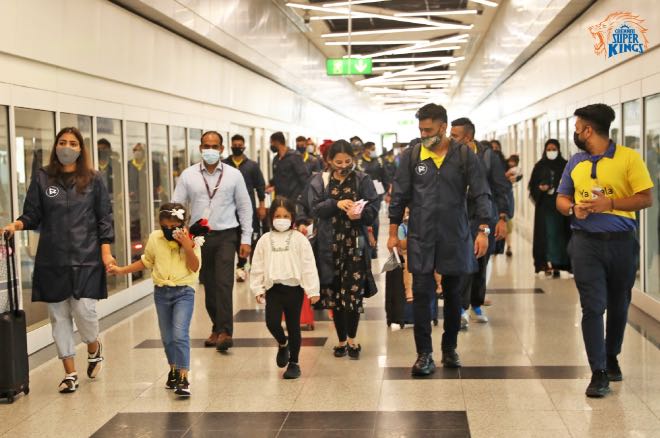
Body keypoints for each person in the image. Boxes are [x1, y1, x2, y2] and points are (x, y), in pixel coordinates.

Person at [2, 127, 114, 393]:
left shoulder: (94, 179)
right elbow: (32, 214)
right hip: (52, 258)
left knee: (85, 311)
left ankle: (93, 345)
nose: (66, 147)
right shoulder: (42, 177)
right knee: (58, 315)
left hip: (86, 257)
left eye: (72, 143)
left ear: (80, 148)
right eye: (62, 142)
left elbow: (104, 217)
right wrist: (15, 225)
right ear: (55, 146)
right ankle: (69, 372)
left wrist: (106, 250)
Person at [556, 103, 654, 398]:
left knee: (619, 302)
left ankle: (612, 355)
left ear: (588, 130)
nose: (575, 133)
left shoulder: (628, 158)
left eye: (577, 128)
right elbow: (561, 199)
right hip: (585, 243)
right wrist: (574, 208)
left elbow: (646, 198)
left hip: (622, 243)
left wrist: (609, 204)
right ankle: (598, 372)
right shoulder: (575, 162)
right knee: (593, 305)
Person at [388, 104, 491, 376]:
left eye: (429, 130)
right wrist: (392, 233)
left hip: (454, 233)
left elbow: (481, 193)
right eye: (421, 129)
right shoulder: (412, 156)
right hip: (421, 235)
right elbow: (398, 196)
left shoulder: (464, 155)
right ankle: (424, 354)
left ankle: (450, 347)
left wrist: (483, 230)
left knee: (454, 294)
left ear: (443, 127)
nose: (424, 134)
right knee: (422, 294)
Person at [108, 203, 202, 397]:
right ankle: (174, 369)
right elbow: (146, 261)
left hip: (184, 291)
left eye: (173, 226)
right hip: (161, 293)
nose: (168, 230)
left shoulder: (192, 239)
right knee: (167, 337)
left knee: (179, 333)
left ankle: (184, 376)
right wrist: (121, 270)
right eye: (164, 226)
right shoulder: (155, 238)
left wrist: (187, 247)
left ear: (181, 224)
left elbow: (194, 267)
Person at [172, 131, 253, 351]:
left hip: (227, 234)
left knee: (224, 283)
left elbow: (245, 207)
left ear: (221, 149)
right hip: (200, 237)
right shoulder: (188, 175)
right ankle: (217, 327)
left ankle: (226, 332)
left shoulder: (233, 175)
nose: (210, 150)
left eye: (214, 146)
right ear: (200, 148)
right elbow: (176, 205)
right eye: (206, 146)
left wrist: (246, 238)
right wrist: (177, 233)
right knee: (208, 284)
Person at [303, 140, 380, 359]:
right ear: (329, 160)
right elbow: (314, 208)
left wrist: (361, 214)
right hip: (329, 246)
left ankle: (353, 339)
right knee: (334, 294)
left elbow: (373, 207)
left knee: (353, 294)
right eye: (338, 161)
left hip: (354, 244)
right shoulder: (320, 181)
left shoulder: (362, 180)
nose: (343, 165)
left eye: (348, 161)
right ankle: (341, 340)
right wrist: (335, 204)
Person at [250, 197, 321, 379]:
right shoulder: (265, 240)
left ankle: (294, 363)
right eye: (277, 215)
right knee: (271, 322)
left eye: (286, 216)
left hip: (294, 289)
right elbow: (257, 265)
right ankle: (283, 343)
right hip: (273, 289)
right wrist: (257, 288)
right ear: (271, 217)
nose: (281, 219)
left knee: (293, 326)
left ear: (292, 217)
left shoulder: (299, 239)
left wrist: (313, 290)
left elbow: (308, 265)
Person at [450, 119, 509, 328]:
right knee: (462, 263)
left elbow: (501, 188)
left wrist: (503, 218)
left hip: (483, 217)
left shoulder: (487, 157)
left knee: (480, 263)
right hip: (459, 216)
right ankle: (460, 307)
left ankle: (475, 303)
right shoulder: (451, 156)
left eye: (455, 135)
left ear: (468, 137)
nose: (451, 139)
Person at [224, 134, 267, 283]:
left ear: (244, 147)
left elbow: (260, 187)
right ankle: (237, 268)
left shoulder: (252, 166)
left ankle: (247, 268)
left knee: (249, 238)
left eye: (239, 145)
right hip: (228, 210)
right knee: (233, 239)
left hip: (248, 210)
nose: (237, 147)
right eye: (234, 145)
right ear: (231, 146)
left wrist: (262, 206)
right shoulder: (224, 164)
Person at [529, 139, 572, 277]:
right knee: (545, 236)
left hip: (560, 209)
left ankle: (559, 264)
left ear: (558, 150)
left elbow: (571, 185)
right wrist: (540, 188)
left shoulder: (565, 165)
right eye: (549, 149)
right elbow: (532, 185)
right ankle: (545, 264)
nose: (551, 152)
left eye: (554, 149)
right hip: (544, 208)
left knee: (559, 236)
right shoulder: (539, 166)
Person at [356, 141, 389, 256]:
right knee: (363, 219)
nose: (373, 151)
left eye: (374, 149)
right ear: (365, 150)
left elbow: (385, 175)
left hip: (377, 193)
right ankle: (364, 248)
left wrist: (385, 190)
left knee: (374, 219)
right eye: (371, 149)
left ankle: (374, 246)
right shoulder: (359, 161)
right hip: (362, 194)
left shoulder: (379, 161)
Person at [270, 132, 310, 204]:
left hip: (293, 199)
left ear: (277, 142)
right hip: (279, 199)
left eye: (272, 143)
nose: (271, 145)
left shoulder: (294, 156)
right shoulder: (276, 159)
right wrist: (270, 184)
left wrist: (304, 197)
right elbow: (277, 176)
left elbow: (304, 177)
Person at [503, 154, 523, 257]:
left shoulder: (515, 173)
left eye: (514, 163)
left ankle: (509, 246)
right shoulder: (500, 170)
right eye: (510, 162)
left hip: (507, 204)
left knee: (508, 226)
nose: (511, 164)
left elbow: (519, 176)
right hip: (497, 204)